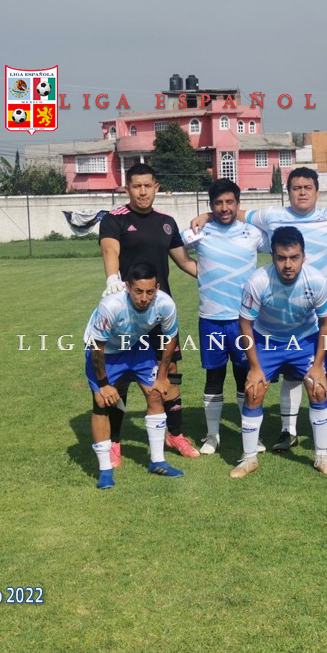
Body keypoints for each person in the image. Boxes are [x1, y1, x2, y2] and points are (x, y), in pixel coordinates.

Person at [192, 168, 327, 456]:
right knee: (291, 374)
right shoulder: (272, 215)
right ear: (288, 192)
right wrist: (206, 216)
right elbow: (233, 212)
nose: (302, 192)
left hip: (324, 311)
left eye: (308, 187)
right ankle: (289, 431)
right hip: (284, 311)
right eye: (296, 187)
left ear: (317, 191)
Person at [98, 162, 200, 466]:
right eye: (136, 186)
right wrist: (112, 278)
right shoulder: (114, 219)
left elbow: (185, 262)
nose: (142, 192)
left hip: (159, 313)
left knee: (170, 371)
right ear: (127, 188)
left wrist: (218, 276)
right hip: (127, 315)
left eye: (147, 186)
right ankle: (115, 441)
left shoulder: (166, 223)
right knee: (121, 377)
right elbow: (110, 250)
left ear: (156, 188)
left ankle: (175, 435)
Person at [230, 226, 327, 479]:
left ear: (303, 256)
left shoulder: (317, 281)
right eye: (281, 258)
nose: (288, 265)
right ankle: (249, 459)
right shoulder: (258, 281)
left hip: (304, 340)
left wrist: (318, 366)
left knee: (318, 387)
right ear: (272, 257)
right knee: (254, 390)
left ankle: (322, 457)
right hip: (267, 340)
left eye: (294, 257)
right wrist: (254, 368)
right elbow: (245, 324)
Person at [180, 179, 269, 455]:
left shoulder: (253, 233)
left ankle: (250, 434)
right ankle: (212, 436)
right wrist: (200, 272)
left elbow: (280, 242)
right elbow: (175, 247)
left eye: (229, 202)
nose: (224, 208)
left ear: (238, 204)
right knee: (214, 377)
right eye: (217, 203)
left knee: (245, 377)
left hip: (245, 320)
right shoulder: (199, 231)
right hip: (212, 319)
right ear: (211, 205)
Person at [84, 262, 184, 489]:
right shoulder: (111, 305)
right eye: (138, 291)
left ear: (157, 288)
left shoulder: (165, 304)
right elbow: (96, 346)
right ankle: (105, 471)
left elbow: (171, 338)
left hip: (136, 347)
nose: (144, 298)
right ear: (127, 287)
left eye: (150, 292)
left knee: (156, 393)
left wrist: (162, 375)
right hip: (105, 352)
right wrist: (103, 384)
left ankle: (158, 462)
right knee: (101, 403)